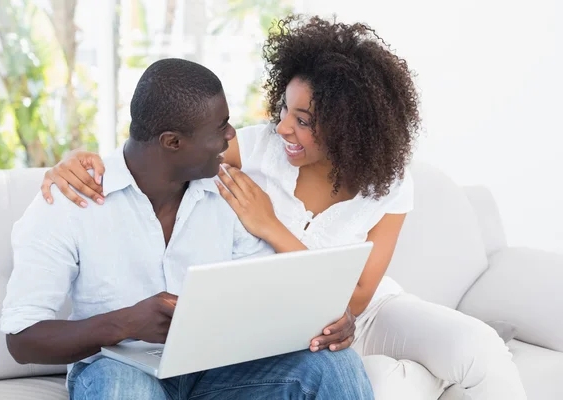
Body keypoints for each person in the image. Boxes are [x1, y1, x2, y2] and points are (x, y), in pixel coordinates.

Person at [40, 16, 528, 400]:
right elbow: (161, 151)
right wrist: (79, 164)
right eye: (284, 110)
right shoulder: (259, 148)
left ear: (348, 126)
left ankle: (429, 373)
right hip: (291, 329)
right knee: (388, 384)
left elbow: (356, 298)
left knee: (477, 347)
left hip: (360, 315)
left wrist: (271, 226)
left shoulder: (390, 180)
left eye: (303, 119)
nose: (283, 129)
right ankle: (418, 380)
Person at [1, 58, 374, 400]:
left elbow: (268, 294)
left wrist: (331, 320)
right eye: (220, 127)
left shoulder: (231, 194)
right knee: (123, 390)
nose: (231, 135)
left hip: (218, 373)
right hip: (120, 370)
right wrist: (125, 322)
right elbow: (22, 340)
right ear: (172, 142)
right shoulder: (70, 200)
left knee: (333, 366)